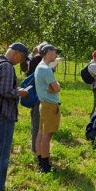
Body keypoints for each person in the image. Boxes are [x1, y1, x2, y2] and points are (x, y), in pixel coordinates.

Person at [0, 42, 30, 191]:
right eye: (23, 58)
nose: (21, 61)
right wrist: (20, 92)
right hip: (3, 114)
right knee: (1, 154)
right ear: (17, 53)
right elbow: (5, 90)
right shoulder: (6, 67)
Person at [34, 45, 62, 173]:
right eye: (55, 52)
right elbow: (56, 88)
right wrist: (57, 85)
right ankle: (45, 166)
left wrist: (53, 86)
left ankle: (41, 161)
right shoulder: (46, 69)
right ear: (48, 52)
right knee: (47, 135)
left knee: (41, 132)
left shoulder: (40, 67)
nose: (56, 54)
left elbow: (52, 87)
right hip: (50, 106)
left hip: (44, 104)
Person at [26, 41, 48, 154]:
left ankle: (36, 147)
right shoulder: (38, 59)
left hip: (38, 94)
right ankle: (36, 149)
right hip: (38, 95)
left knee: (38, 122)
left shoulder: (36, 59)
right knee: (37, 122)